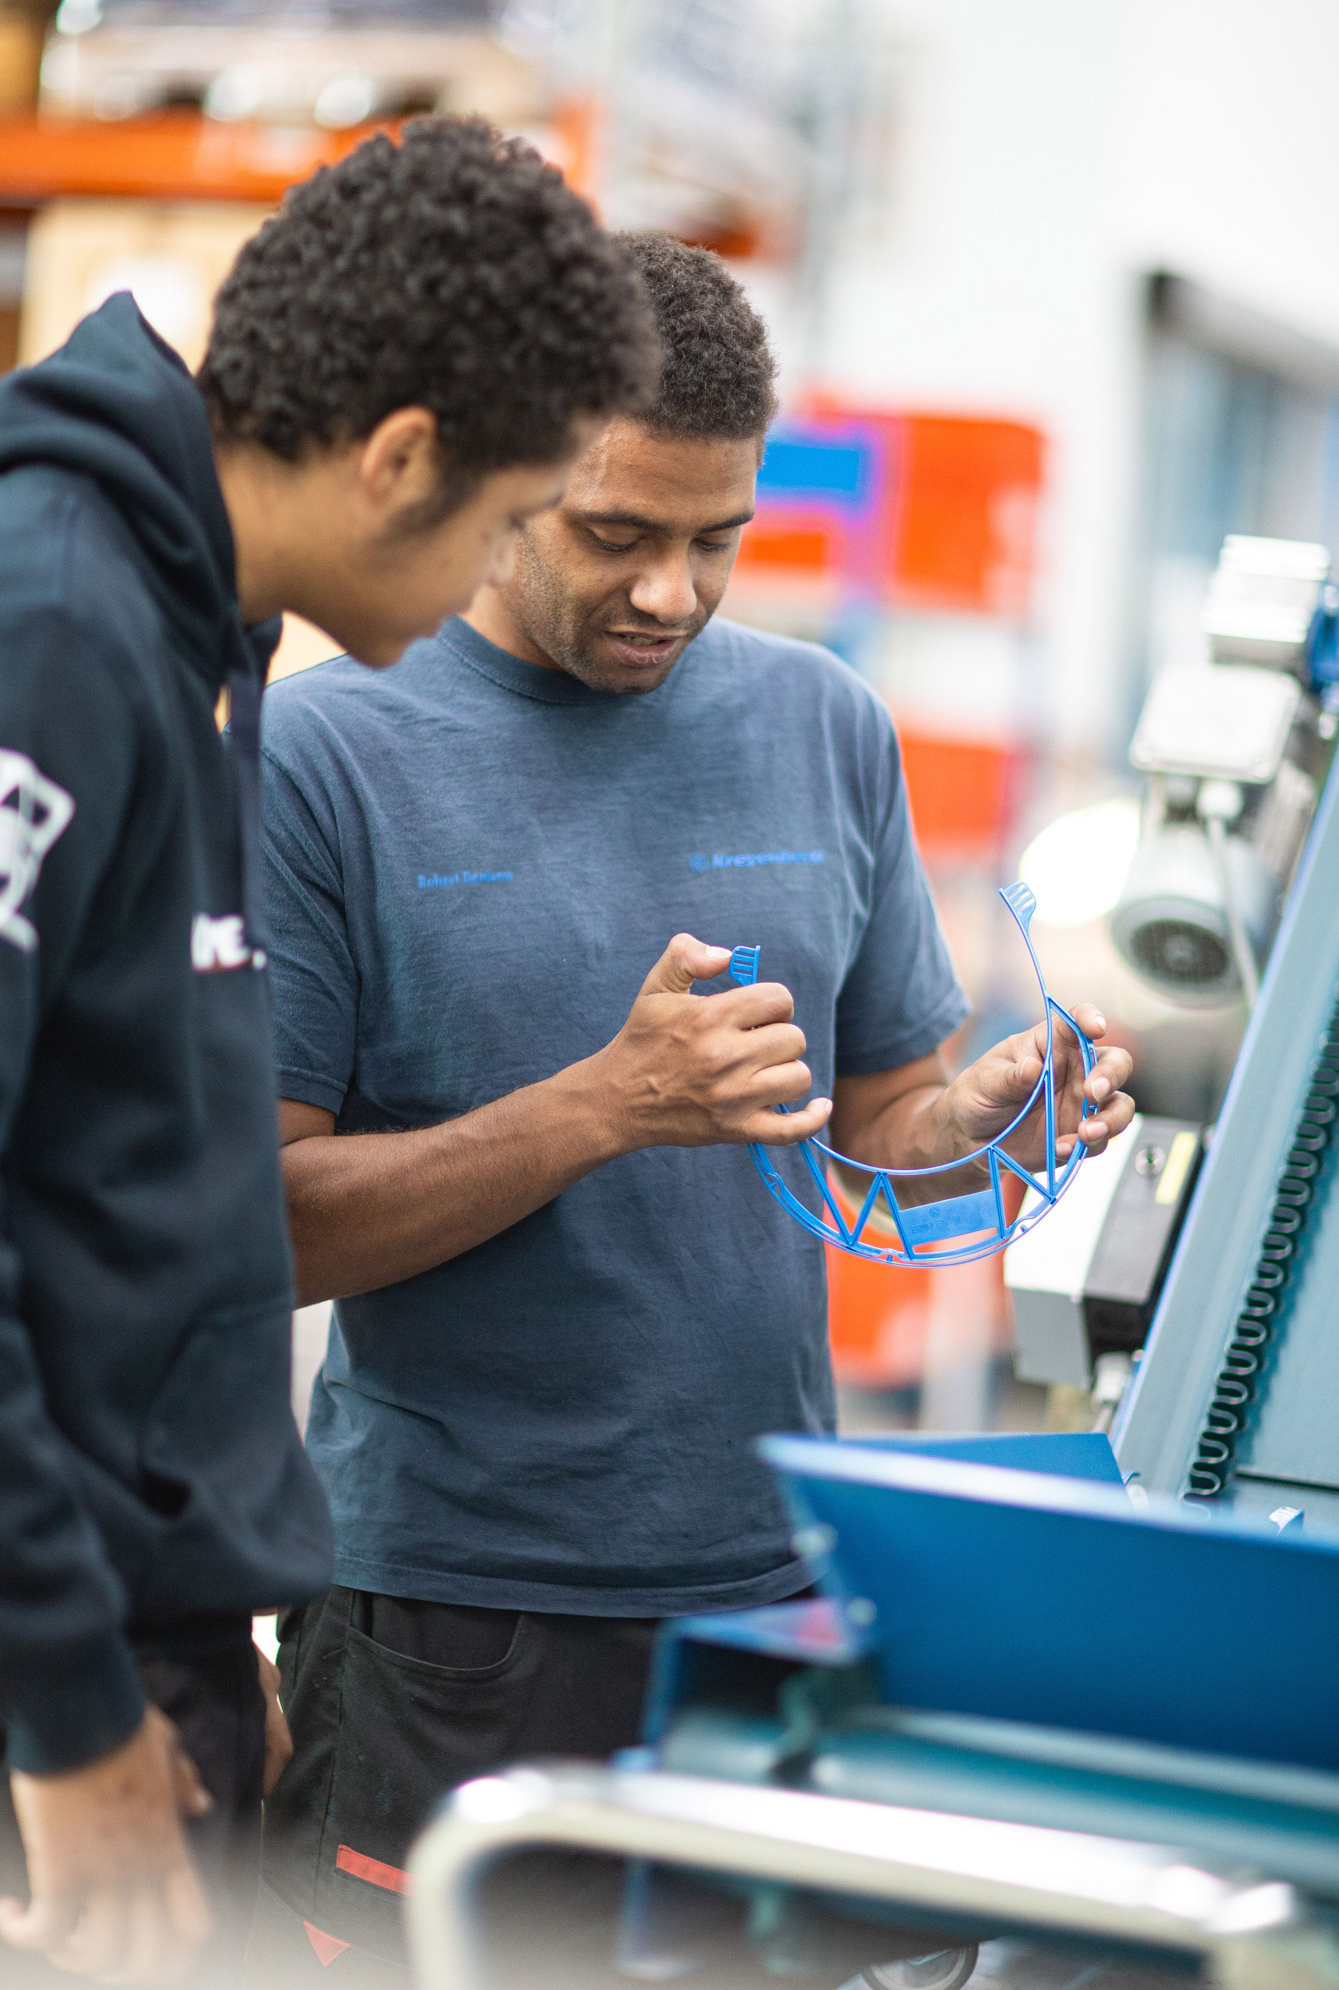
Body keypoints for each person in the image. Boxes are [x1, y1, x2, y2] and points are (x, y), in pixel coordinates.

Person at [254, 232, 1135, 1981]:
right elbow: (255, 1229)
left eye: (716, 539)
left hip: (762, 1580)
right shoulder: (325, 753)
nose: (670, 589)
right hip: (454, 1612)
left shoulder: (820, 722)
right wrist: (596, 1105)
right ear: (504, 472)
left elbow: (870, 1128)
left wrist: (978, 1110)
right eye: (614, 534)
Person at [0, 117, 656, 1987]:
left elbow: (140, 1178)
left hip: (156, 1644)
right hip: (57, 1689)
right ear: (397, 459)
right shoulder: (52, 621)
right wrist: (68, 1714)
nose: (483, 585)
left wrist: (234, 1625)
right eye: (500, 523)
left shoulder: (206, 624)